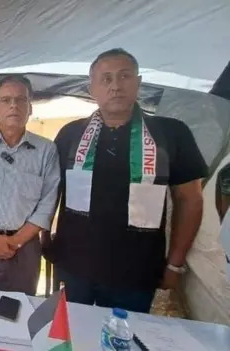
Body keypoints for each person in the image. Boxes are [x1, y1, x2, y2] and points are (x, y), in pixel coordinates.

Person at [49, 48, 208, 313]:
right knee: (72, 338)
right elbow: (51, 191)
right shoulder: (71, 133)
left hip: (136, 273)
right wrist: (45, 240)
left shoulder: (171, 133)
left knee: (123, 339)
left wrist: (174, 264)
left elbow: (190, 199)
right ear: (93, 89)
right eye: (106, 79)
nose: (115, 86)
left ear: (138, 83)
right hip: (75, 266)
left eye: (124, 77)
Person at [0, 75, 61, 295]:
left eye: (20, 100)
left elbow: (47, 203)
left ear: (30, 108)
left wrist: (13, 243)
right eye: (5, 100)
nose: (13, 105)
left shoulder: (46, 150)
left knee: (17, 312)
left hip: (23, 247)